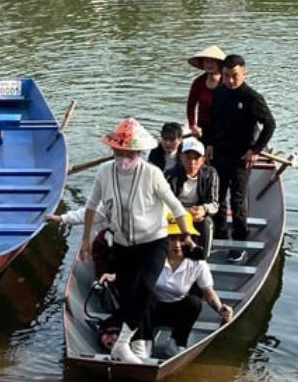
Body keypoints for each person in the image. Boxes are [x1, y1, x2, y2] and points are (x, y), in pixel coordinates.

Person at [81, 117, 192, 364]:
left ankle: (121, 344)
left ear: (139, 153)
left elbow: (175, 206)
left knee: (145, 289)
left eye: (129, 153)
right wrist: (86, 241)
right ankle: (138, 345)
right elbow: (91, 207)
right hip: (123, 244)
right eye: (119, 152)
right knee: (130, 295)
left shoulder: (152, 173)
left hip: (154, 241)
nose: (123, 158)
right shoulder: (104, 172)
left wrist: (186, 234)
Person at [203, 54, 275, 264]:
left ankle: (239, 243)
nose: (231, 81)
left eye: (235, 76)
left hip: (242, 156)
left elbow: (269, 124)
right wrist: (208, 143)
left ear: (244, 73)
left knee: (237, 199)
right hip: (219, 153)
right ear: (221, 75)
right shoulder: (218, 93)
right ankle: (220, 235)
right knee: (217, 197)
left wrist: (255, 150)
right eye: (226, 76)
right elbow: (208, 121)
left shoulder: (252, 97)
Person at [152, 215, 233, 358]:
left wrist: (221, 309)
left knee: (194, 303)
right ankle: (143, 341)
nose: (177, 244)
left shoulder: (197, 263)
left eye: (181, 239)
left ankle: (176, 343)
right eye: (171, 239)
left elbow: (208, 292)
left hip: (177, 310)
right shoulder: (153, 257)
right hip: (151, 309)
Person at [165, 137, 219, 256]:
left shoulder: (211, 174)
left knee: (207, 224)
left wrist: (203, 209)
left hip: (198, 213)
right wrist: (183, 212)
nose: (192, 162)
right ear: (181, 157)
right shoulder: (169, 175)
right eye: (188, 158)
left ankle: (202, 259)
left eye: (196, 158)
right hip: (176, 213)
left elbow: (214, 204)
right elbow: (164, 203)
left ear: (203, 160)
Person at [186, 45, 225, 139]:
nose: (209, 65)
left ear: (219, 63)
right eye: (207, 61)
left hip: (223, 128)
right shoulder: (198, 82)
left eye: (212, 61)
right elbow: (191, 106)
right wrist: (193, 126)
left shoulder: (227, 82)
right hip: (203, 129)